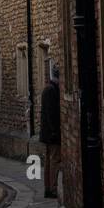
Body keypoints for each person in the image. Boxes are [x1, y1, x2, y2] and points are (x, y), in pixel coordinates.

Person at [39, 65, 61, 199]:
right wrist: (55, 132)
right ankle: (52, 188)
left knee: (49, 161)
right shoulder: (52, 90)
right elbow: (51, 114)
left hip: (47, 134)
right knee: (54, 160)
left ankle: (48, 188)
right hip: (52, 134)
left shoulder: (49, 89)